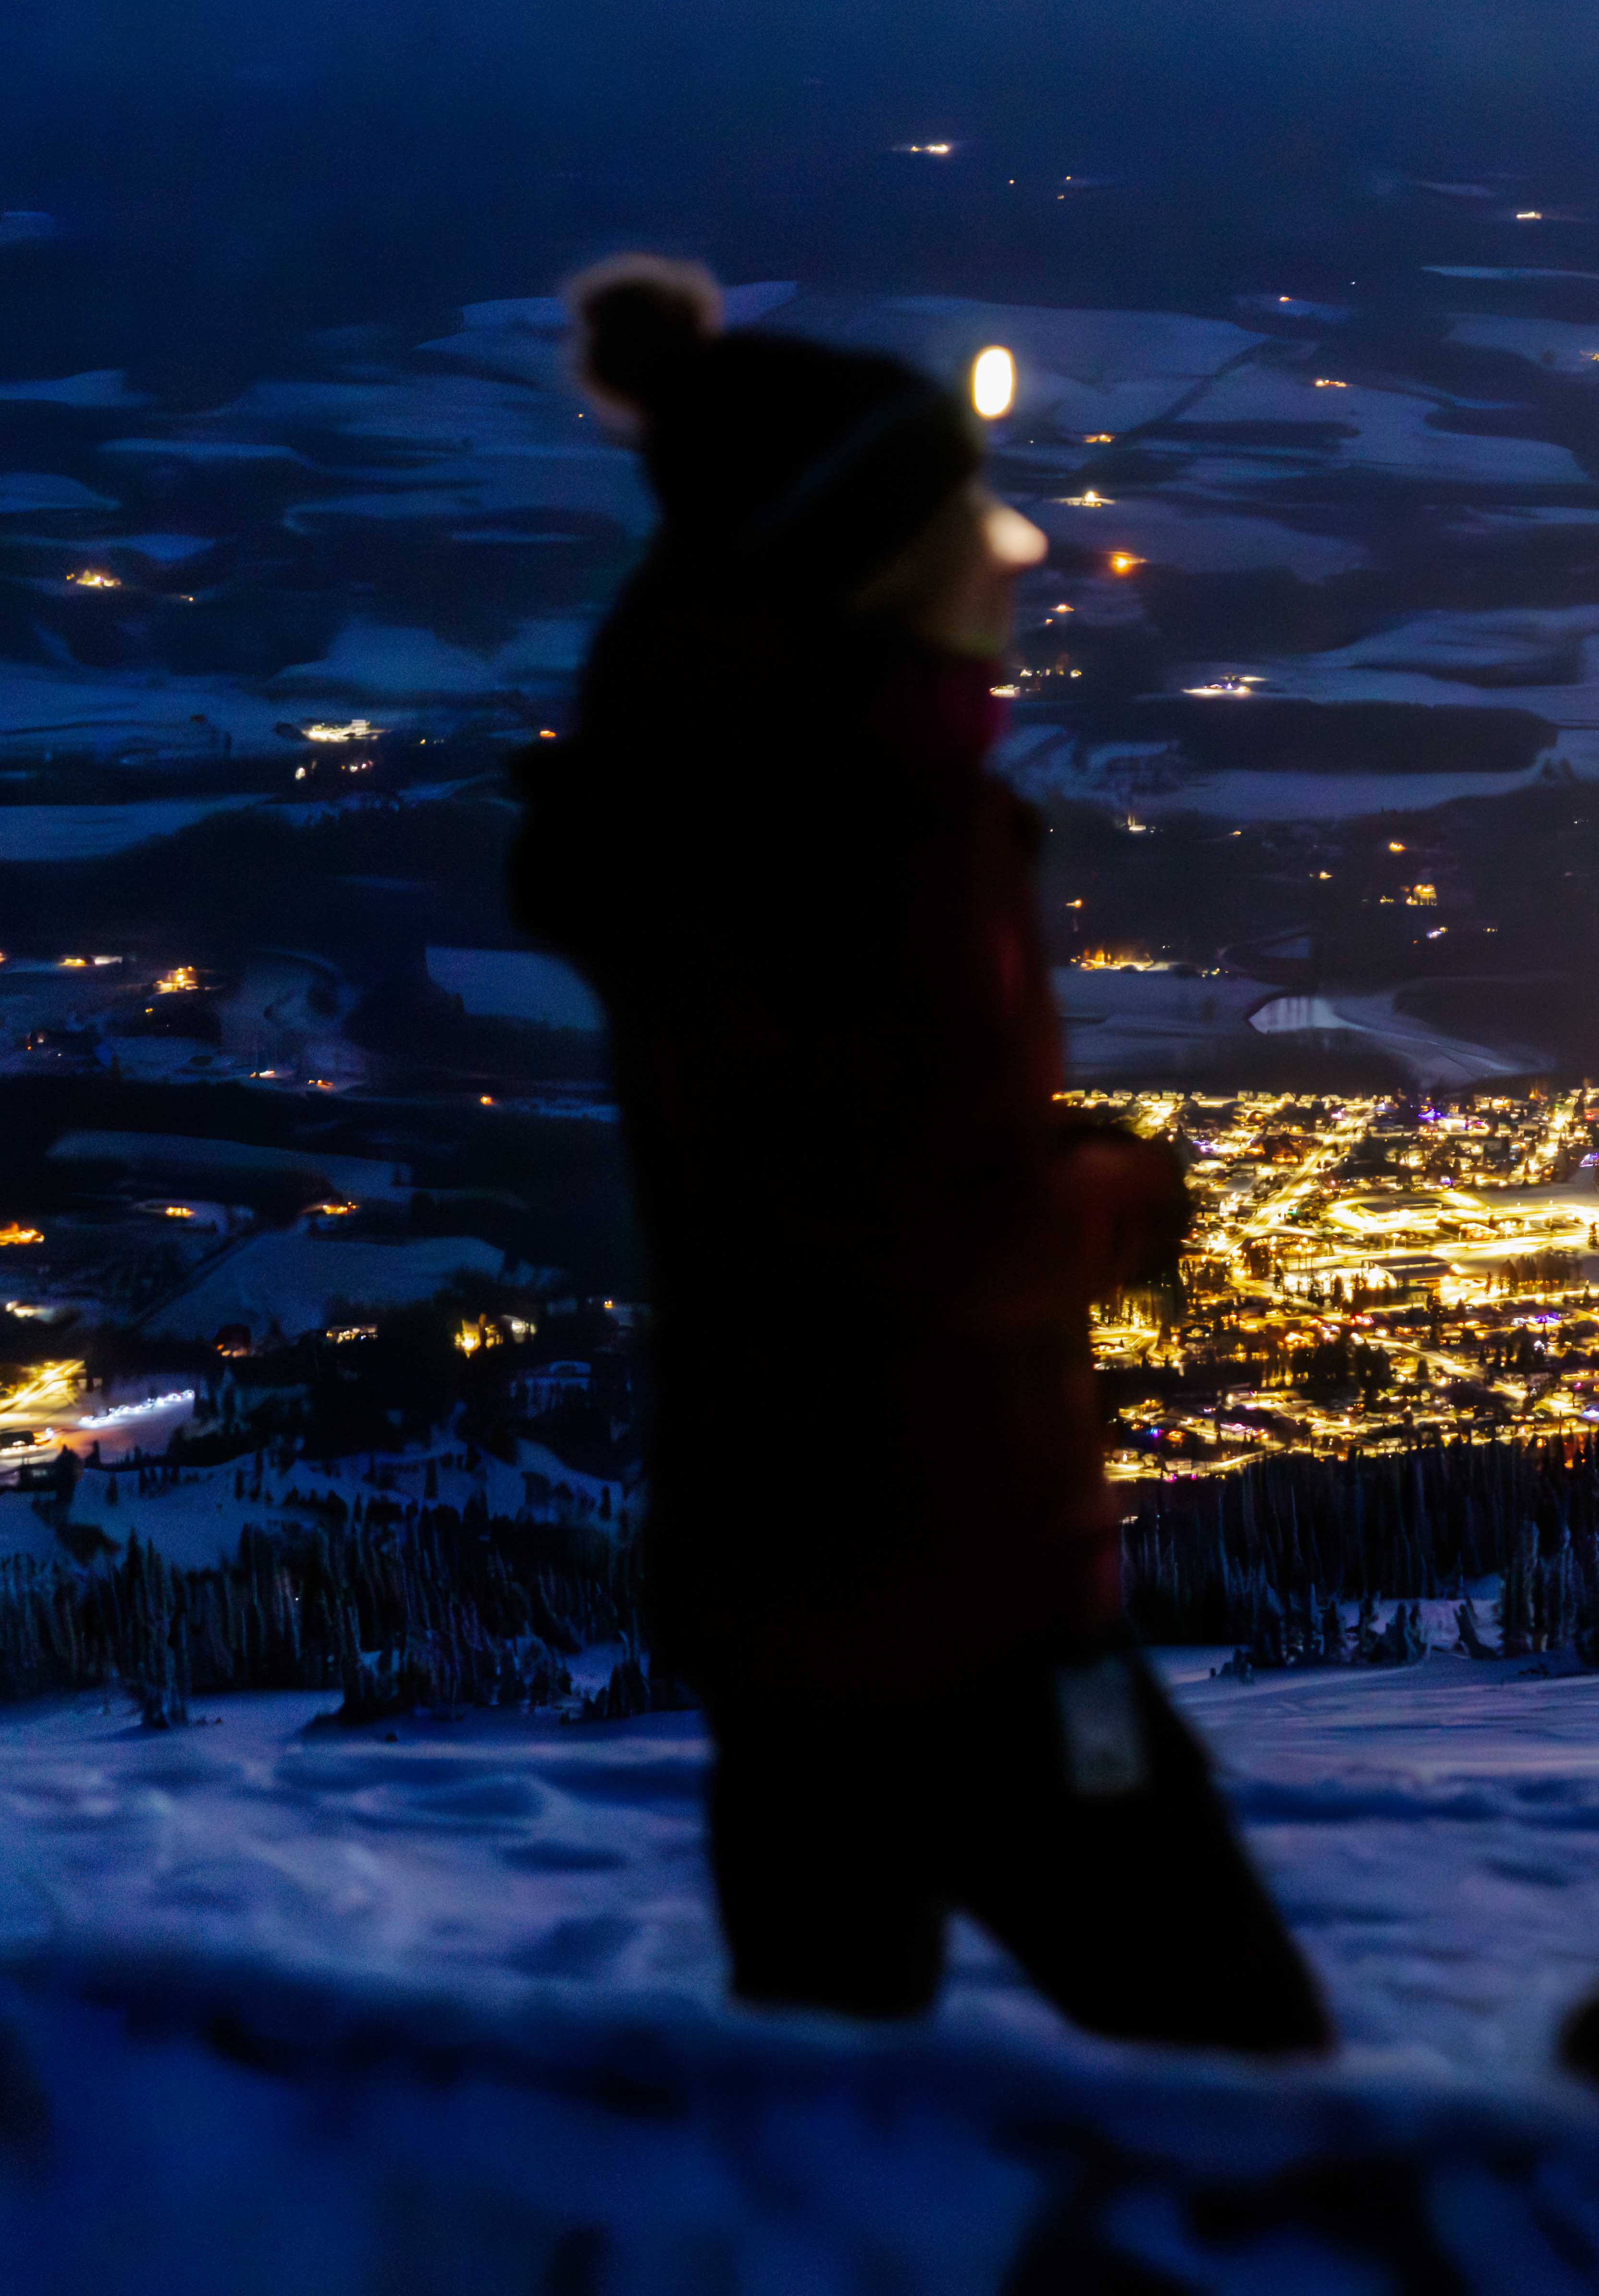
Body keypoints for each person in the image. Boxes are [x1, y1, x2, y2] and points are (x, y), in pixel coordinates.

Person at [510, 257, 1332, 2054]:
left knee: (832, 2085)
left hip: (779, 1579)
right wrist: (1126, 1195)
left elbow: (833, 1164)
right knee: (1249, 2085)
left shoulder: (709, 806)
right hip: (966, 1583)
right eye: (972, 531)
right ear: (875, 568)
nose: (1007, 567)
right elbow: (941, 1230)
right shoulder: (877, 832)